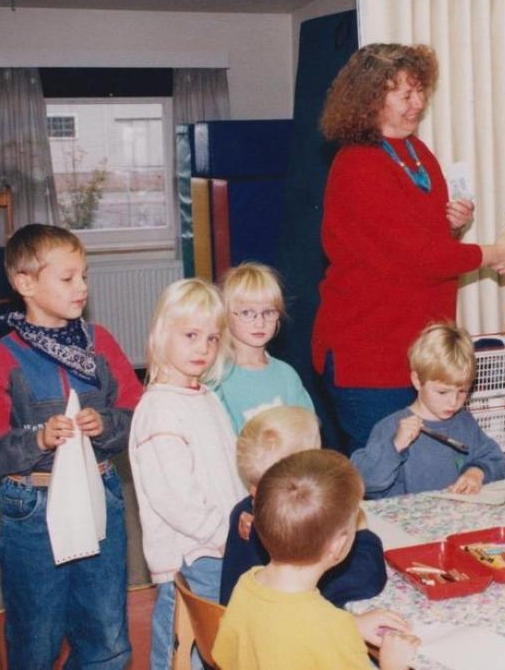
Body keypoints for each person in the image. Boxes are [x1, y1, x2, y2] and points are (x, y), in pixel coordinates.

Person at [313, 43, 505, 455]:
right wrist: (494, 253)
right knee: (382, 482)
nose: (418, 104)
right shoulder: (358, 164)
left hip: (414, 352)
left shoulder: (416, 152)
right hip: (370, 356)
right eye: (405, 95)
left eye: (420, 91)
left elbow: (416, 242)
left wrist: (450, 225)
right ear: (371, 98)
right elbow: (417, 258)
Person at [0, 224, 142, 669]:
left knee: (108, 638)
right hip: (32, 508)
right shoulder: (3, 356)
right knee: (36, 636)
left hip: (102, 496)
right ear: (25, 284)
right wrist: (36, 439)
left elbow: (139, 414)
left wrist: (107, 424)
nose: (81, 287)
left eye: (84, 275)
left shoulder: (101, 345)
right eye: (67, 278)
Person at [128, 278, 247, 670]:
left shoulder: (206, 396)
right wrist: (225, 535)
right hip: (192, 555)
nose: (203, 348)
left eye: (212, 338)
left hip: (220, 547)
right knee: (183, 650)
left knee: (218, 644)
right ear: (164, 335)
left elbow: (226, 470)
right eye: (191, 335)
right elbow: (175, 499)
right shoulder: (159, 409)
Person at [214, 449, 420, 670]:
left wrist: (349, 625)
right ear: (338, 546)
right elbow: (313, 631)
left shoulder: (247, 583)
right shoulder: (327, 631)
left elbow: (236, 653)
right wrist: (392, 665)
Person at [219, 405, 387, 607]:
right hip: (282, 633)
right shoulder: (299, 521)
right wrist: (361, 529)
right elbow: (367, 578)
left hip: (243, 626)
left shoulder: (243, 510)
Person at [351, 322, 505, 498]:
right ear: (417, 381)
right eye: (442, 392)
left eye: (462, 391)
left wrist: (477, 472)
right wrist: (395, 446)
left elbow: (495, 459)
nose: (454, 402)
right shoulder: (390, 428)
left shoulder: (465, 423)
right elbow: (364, 481)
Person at [215, 261, 314, 432]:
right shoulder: (216, 378)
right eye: (247, 313)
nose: (260, 322)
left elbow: (308, 434)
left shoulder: (287, 375)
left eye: (268, 312)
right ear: (225, 315)